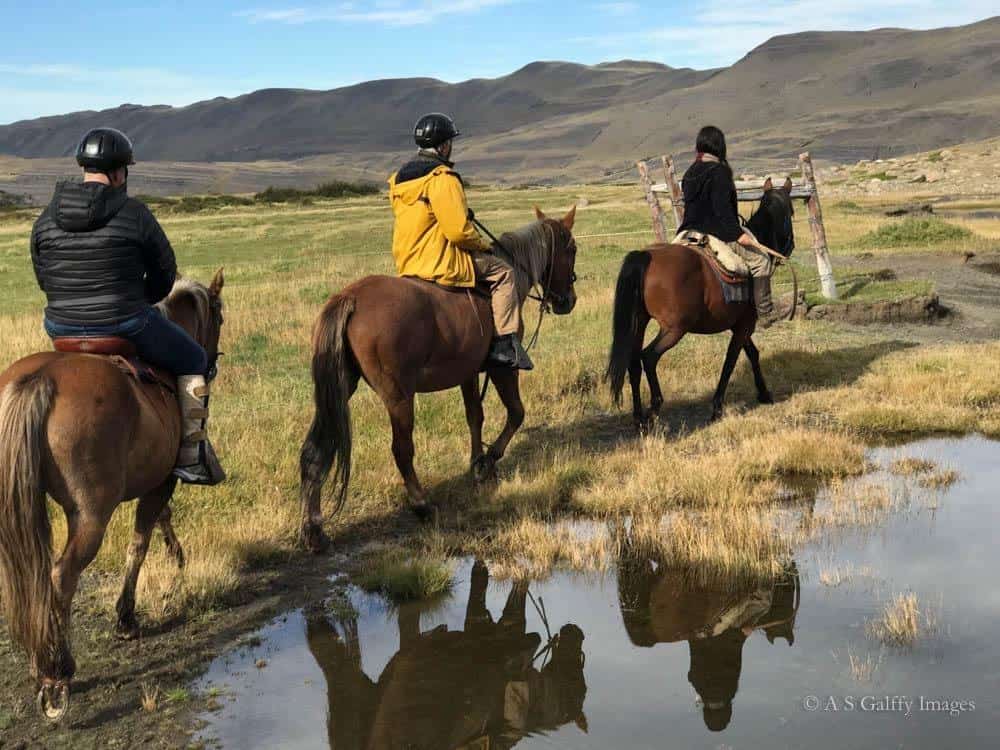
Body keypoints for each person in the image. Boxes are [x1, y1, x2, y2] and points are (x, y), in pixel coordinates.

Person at [30, 127, 221, 485]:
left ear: (84, 168)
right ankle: (192, 456)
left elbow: (44, 277)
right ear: (120, 172)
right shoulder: (134, 214)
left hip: (61, 329)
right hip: (125, 323)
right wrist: (136, 300)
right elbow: (165, 277)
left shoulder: (45, 218)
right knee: (194, 358)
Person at [388, 112, 532, 369]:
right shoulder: (443, 177)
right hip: (441, 261)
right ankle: (504, 346)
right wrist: (483, 245)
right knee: (504, 274)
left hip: (408, 262)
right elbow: (457, 232)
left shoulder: (399, 179)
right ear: (443, 145)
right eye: (450, 143)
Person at [677, 125, 782, 327]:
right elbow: (722, 210)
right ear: (720, 146)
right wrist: (738, 235)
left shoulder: (689, 172)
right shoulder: (720, 172)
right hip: (717, 233)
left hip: (688, 232)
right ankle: (766, 313)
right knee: (761, 261)